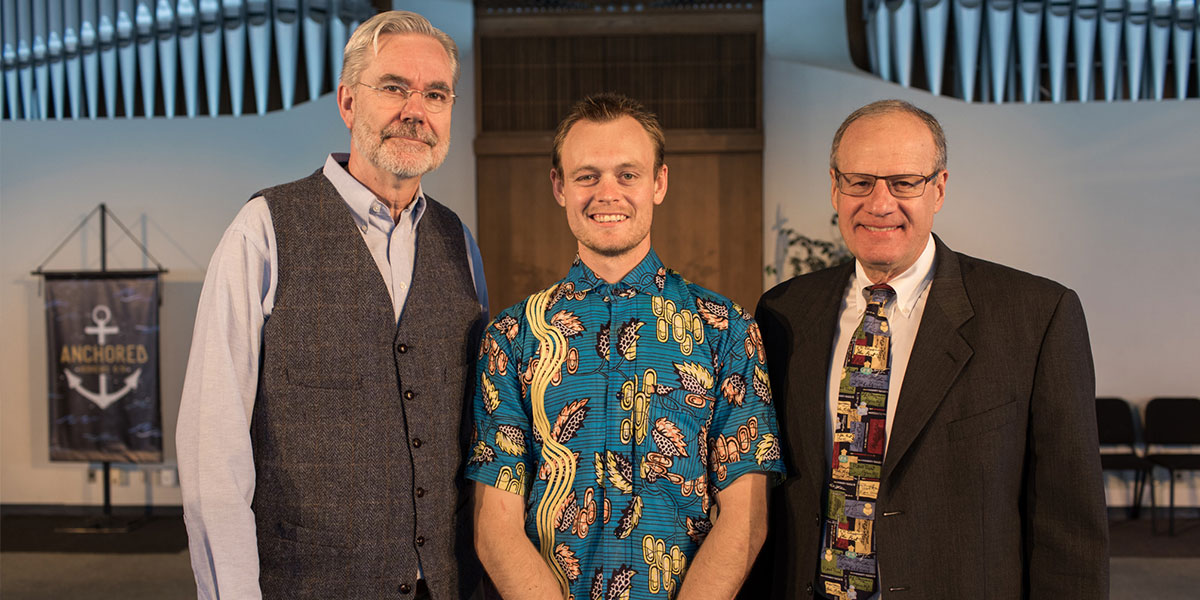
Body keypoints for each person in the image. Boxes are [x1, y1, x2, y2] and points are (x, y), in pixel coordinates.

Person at [176, 11, 487, 600]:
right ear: (347, 102)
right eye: (394, 87)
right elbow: (211, 449)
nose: (415, 110)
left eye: (436, 94)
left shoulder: (458, 244)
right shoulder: (263, 229)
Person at [752, 99, 1108, 599]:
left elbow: (1070, 527)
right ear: (834, 186)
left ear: (938, 188)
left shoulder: (1036, 316)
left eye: (904, 183)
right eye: (860, 181)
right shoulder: (783, 311)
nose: (879, 203)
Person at [468, 93, 785, 600]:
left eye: (628, 174)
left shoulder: (725, 329)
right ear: (559, 186)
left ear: (659, 182)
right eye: (586, 176)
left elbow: (746, 518)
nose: (606, 193)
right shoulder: (512, 336)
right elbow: (495, 526)